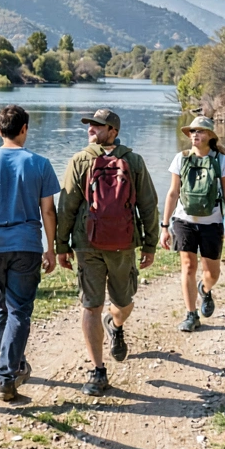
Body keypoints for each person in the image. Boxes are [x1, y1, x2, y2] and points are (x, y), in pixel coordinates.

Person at [55, 108, 159, 396]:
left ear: (113, 131)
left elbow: (148, 205)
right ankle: (98, 370)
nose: (91, 129)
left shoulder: (134, 161)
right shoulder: (81, 160)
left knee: (124, 303)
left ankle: (115, 323)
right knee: (90, 305)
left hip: (123, 244)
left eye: (98, 126)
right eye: (90, 125)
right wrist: (61, 246)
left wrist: (151, 244)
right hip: (87, 245)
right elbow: (67, 207)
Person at [0, 105, 61, 402]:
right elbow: (48, 209)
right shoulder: (40, 164)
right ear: (24, 129)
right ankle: (7, 374)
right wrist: (52, 248)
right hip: (27, 244)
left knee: (0, 308)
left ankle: (14, 364)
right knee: (19, 310)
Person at [160, 116, 225, 332]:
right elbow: (173, 193)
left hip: (212, 223)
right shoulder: (181, 158)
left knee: (212, 273)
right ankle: (191, 314)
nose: (195, 134)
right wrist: (164, 226)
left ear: (210, 136)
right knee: (188, 266)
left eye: (200, 131)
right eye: (193, 131)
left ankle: (205, 289)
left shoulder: (221, 160)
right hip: (183, 221)